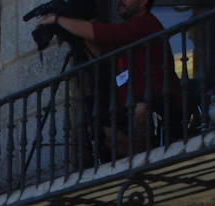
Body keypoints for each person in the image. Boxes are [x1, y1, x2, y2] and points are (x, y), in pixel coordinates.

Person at [41, 0, 181, 157]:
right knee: (97, 129)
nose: (120, 1)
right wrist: (73, 29)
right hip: (127, 108)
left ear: (143, 2)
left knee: (141, 110)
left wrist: (58, 20)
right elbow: (100, 50)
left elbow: (105, 33)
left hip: (161, 107)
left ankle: (141, 161)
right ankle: (133, 159)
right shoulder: (128, 35)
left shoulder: (146, 23)